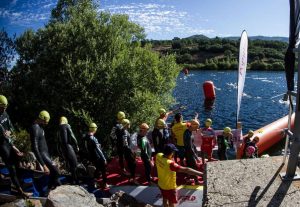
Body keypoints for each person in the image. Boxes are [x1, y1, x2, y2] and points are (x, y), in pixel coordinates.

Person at [0, 95, 29, 198]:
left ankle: (17, 186)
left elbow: (11, 128)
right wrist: (13, 145)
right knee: (11, 167)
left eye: (5, 107)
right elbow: (3, 133)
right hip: (2, 145)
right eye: (2, 107)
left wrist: (11, 134)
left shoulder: (5, 113)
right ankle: (20, 191)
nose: (4, 109)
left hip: (8, 142)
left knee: (17, 163)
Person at [30, 110, 61, 190]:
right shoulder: (35, 128)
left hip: (46, 154)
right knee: (56, 171)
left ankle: (50, 190)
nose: (46, 124)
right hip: (42, 155)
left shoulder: (40, 127)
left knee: (55, 172)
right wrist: (43, 165)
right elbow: (35, 147)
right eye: (45, 122)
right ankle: (49, 191)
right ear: (41, 119)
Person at [84, 122, 108, 189]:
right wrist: (104, 159)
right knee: (103, 169)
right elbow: (98, 150)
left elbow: (87, 147)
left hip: (91, 156)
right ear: (95, 129)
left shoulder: (86, 137)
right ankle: (105, 184)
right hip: (97, 156)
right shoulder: (93, 138)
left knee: (97, 168)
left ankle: (94, 181)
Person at [57, 116, 79, 184]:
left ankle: (73, 180)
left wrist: (59, 151)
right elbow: (72, 136)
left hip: (63, 148)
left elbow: (58, 141)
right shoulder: (67, 126)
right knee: (74, 164)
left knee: (69, 164)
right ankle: (76, 181)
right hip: (68, 147)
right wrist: (76, 145)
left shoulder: (58, 129)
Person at [120, 119, 138, 184]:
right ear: (126, 125)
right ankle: (133, 179)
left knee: (131, 164)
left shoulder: (124, 130)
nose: (129, 125)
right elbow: (125, 143)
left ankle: (132, 176)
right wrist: (131, 151)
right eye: (128, 124)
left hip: (126, 150)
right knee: (133, 164)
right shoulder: (124, 132)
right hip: (127, 151)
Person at [183, 119, 201, 184]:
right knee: (194, 167)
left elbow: (191, 145)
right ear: (192, 126)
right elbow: (190, 147)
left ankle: (189, 178)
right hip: (190, 153)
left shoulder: (188, 131)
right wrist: (196, 157)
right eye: (196, 128)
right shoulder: (188, 135)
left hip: (188, 152)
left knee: (190, 166)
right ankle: (196, 181)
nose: (196, 129)